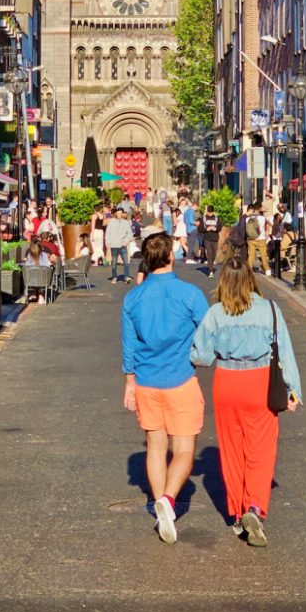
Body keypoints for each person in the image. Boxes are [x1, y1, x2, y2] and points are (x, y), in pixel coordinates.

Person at [191, 256, 302, 546]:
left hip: (227, 382)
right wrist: (293, 391)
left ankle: (238, 513)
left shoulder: (216, 313)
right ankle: (255, 506)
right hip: (260, 382)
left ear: (224, 281)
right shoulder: (270, 310)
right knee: (261, 450)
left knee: (231, 451)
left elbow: (199, 357)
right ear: (251, 278)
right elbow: (285, 352)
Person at [122, 232, 209, 544]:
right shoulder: (190, 294)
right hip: (181, 379)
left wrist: (129, 382)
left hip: (146, 381)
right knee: (184, 450)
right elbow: (208, 332)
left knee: (155, 447)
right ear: (171, 256)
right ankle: (168, 501)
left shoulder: (133, 298)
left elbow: (129, 344)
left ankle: (162, 508)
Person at [105, 207, 133, 284]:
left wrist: (126, 241)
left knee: (126, 262)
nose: (119, 215)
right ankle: (114, 277)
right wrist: (107, 242)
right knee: (114, 263)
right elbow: (108, 233)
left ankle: (126, 276)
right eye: (117, 213)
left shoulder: (125, 223)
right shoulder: (111, 222)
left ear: (122, 214)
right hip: (114, 245)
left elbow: (130, 234)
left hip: (123, 245)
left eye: (120, 213)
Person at [246, 204, 271, 276]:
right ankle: (267, 269)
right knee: (263, 254)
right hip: (261, 238)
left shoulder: (248, 218)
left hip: (251, 238)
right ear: (259, 209)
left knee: (251, 254)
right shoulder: (262, 218)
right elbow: (265, 228)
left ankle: (249, 269)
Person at [198, 206, 222, 277]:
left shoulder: (217, 218)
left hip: (214, 238)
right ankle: (210, 271)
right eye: (209, 212)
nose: (210, 214)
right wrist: (207, 229)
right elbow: (200, 228)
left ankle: (211, 264)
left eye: (211, 212)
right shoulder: (204, 218)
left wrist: (216, 229)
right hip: (207, 238)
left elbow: (220, 227)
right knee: (209, 253)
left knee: (214, 252)